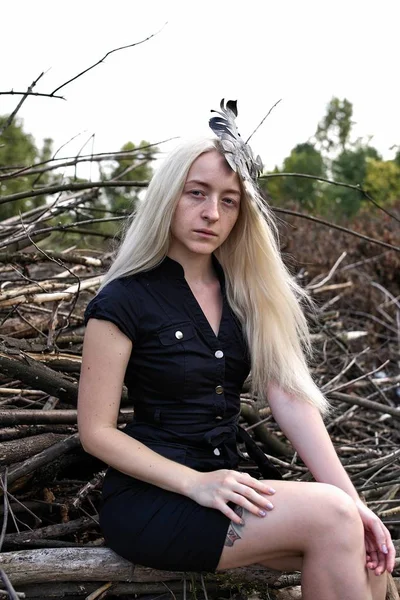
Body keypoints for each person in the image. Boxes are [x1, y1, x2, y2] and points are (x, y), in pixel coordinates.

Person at [78, 101, 396, 600]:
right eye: (197, 194)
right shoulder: (122, 300)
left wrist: (357, 504)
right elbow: (95, 432)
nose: (212, 213)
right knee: (335, 520)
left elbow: (289, 398)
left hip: (230, 490)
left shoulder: (244, 294)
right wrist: (194, 483)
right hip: (157, 500)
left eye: (229, 201)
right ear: (168, 198)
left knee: (367, 548)